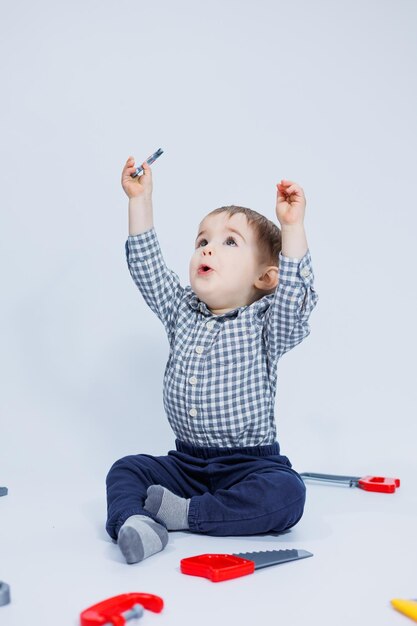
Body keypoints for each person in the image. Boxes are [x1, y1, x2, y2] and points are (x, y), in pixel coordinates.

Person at [105, 155, 318, 564]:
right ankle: (135, 523)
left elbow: (296, 299)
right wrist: (139, 200)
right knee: (126, 469)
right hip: (185, 464)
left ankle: (186, 515)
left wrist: (292, 228)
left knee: (288, 494)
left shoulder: (266, 324)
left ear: (264, 278)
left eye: (229, 242)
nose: (207, 248)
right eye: (202, 241)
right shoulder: (180, 309)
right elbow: (147, 268)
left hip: (248, 465)